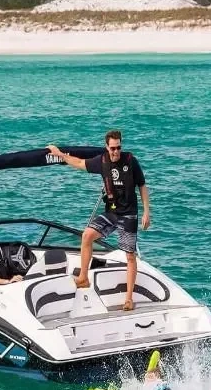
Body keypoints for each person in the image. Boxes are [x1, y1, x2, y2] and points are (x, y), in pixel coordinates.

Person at [46, 130, 151, 311]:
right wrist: (60, 154)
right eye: (112, 148)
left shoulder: (131, 161)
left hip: (128, 214)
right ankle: (83, 278)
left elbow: (142, 185)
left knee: (129, 256)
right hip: (111, 213)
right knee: (86, 236)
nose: (116, 152)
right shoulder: (101, 161)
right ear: (106, 147)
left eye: (118, 148)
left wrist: (146, 212)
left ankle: (128, 299)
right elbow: (79, 162)